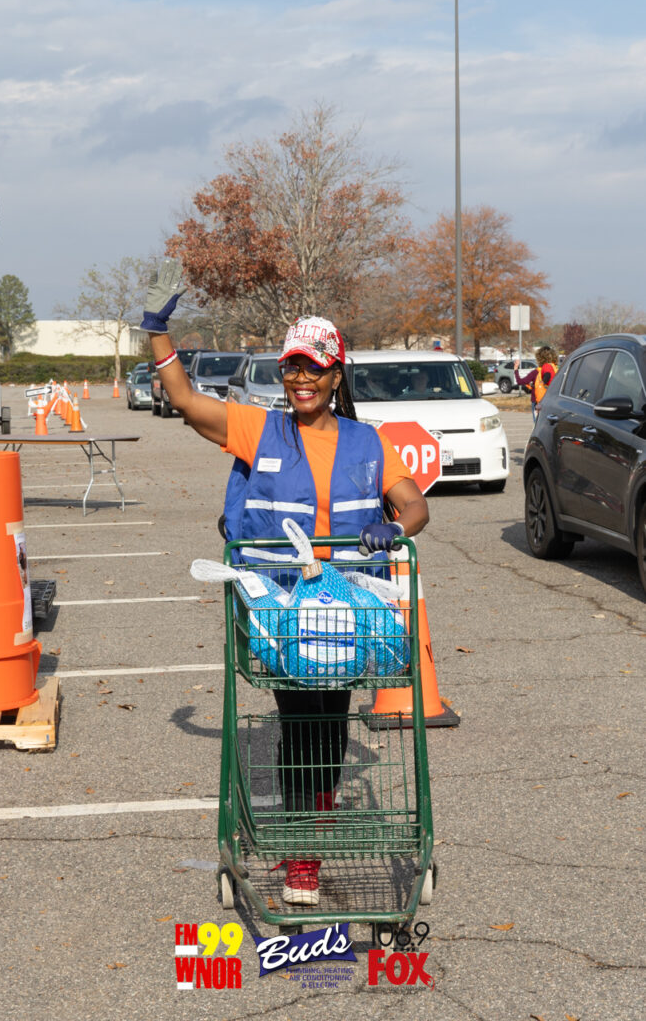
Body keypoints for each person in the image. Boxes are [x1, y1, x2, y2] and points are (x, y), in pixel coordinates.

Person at [141, 260, 429, 906]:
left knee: (329, 727)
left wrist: (394, 526)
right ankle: (304, 858)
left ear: (335, 375)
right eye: (291, 367)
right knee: (301, 724)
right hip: (282, 611)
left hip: (347, 609)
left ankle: (308, 839)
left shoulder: (368, 443)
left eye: (314, 368)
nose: (301, 379)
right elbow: (184, 400)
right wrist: (157, 331)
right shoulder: (258, 429)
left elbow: (414, 505)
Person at [514, 346, 559, 421]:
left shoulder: (536, 372)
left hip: (538, 402)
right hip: (552, 401)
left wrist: (516, 368)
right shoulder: (555, 369)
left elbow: (520, 381)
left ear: (539, 358)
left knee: (538, 423)